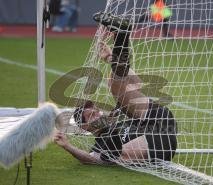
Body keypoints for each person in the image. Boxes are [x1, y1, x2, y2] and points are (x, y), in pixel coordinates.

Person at [54, 12, 177, 165]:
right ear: (85, 126)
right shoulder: (99, 146)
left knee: (115, 84)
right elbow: (90, 159)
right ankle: (121, 35)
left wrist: (109, 57)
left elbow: (135, 82)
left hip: (158, 120)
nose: (99, 113)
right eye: (92, 115)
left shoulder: (116, 113)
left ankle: (121, 35)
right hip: (156, 149)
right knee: (111, 155)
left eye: (96, 110)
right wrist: (67, 146)